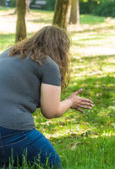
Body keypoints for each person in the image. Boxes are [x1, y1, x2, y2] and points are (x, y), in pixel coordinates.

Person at [0, 26, 94, 168]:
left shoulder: (9, 53)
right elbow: (51, 111)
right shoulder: (48, 63)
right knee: (52, 164)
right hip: (12, 130)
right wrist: (70, 102)